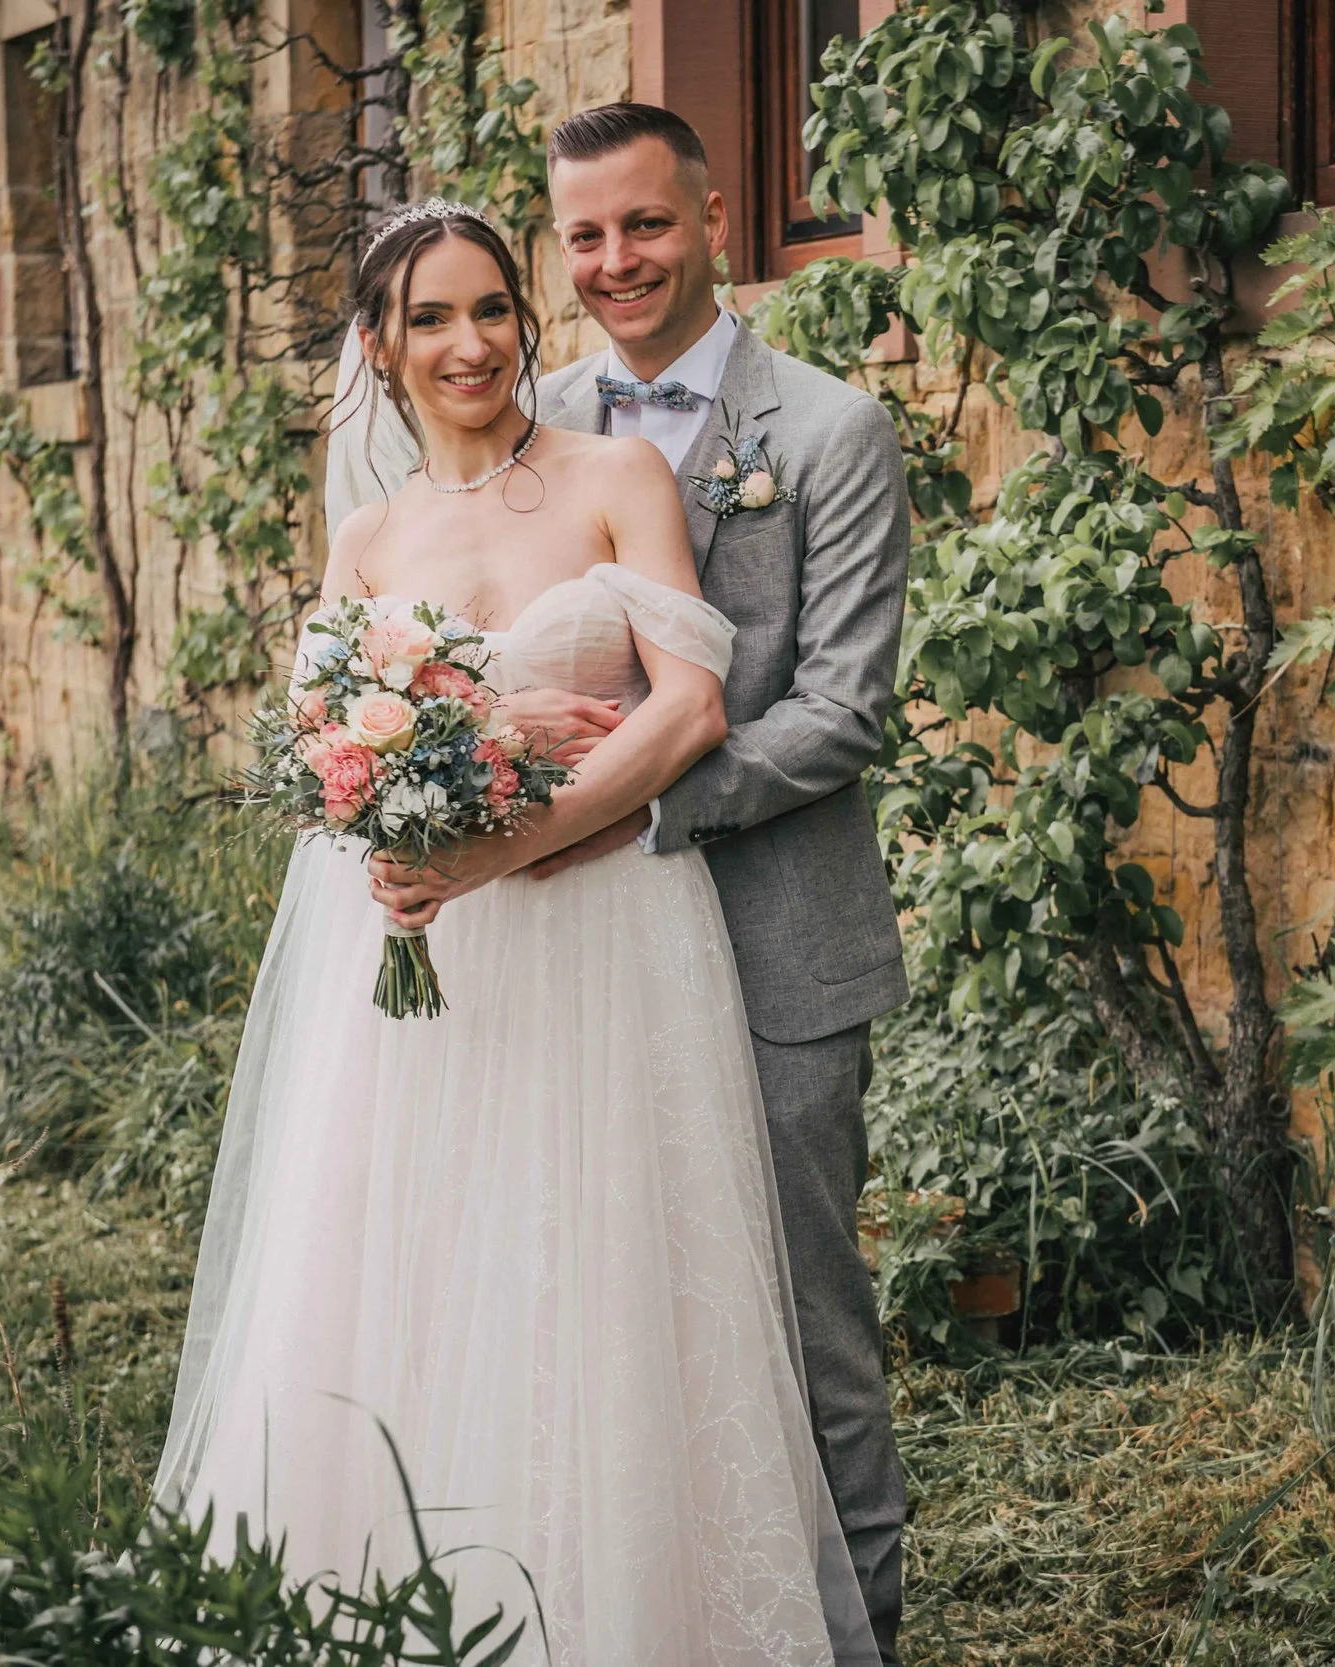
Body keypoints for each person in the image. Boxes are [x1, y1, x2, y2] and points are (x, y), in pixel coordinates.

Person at [153, 198, 881, 1667]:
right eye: (429, 317)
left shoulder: (614, 475)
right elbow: (318, 748)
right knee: (408, 1266)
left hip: (608, 937)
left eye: (491, 307)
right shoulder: (368, 530)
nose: (469, 341)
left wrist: (507, 845)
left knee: (601, 1271)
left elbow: (689, 705)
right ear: (380, 346)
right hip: (424, 969)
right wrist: (477, 732)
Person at [526, 102, 914, 1666]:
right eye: (586, 237)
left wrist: (644, 803)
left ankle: (861, 1637)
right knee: (606, 1301)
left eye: (647, 224)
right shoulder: (529, 416)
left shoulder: (827, 431)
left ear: (716, 216)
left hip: (777, 945)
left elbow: (841, 709)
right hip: (584, 951)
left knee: (808, 1316)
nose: (618, 261)